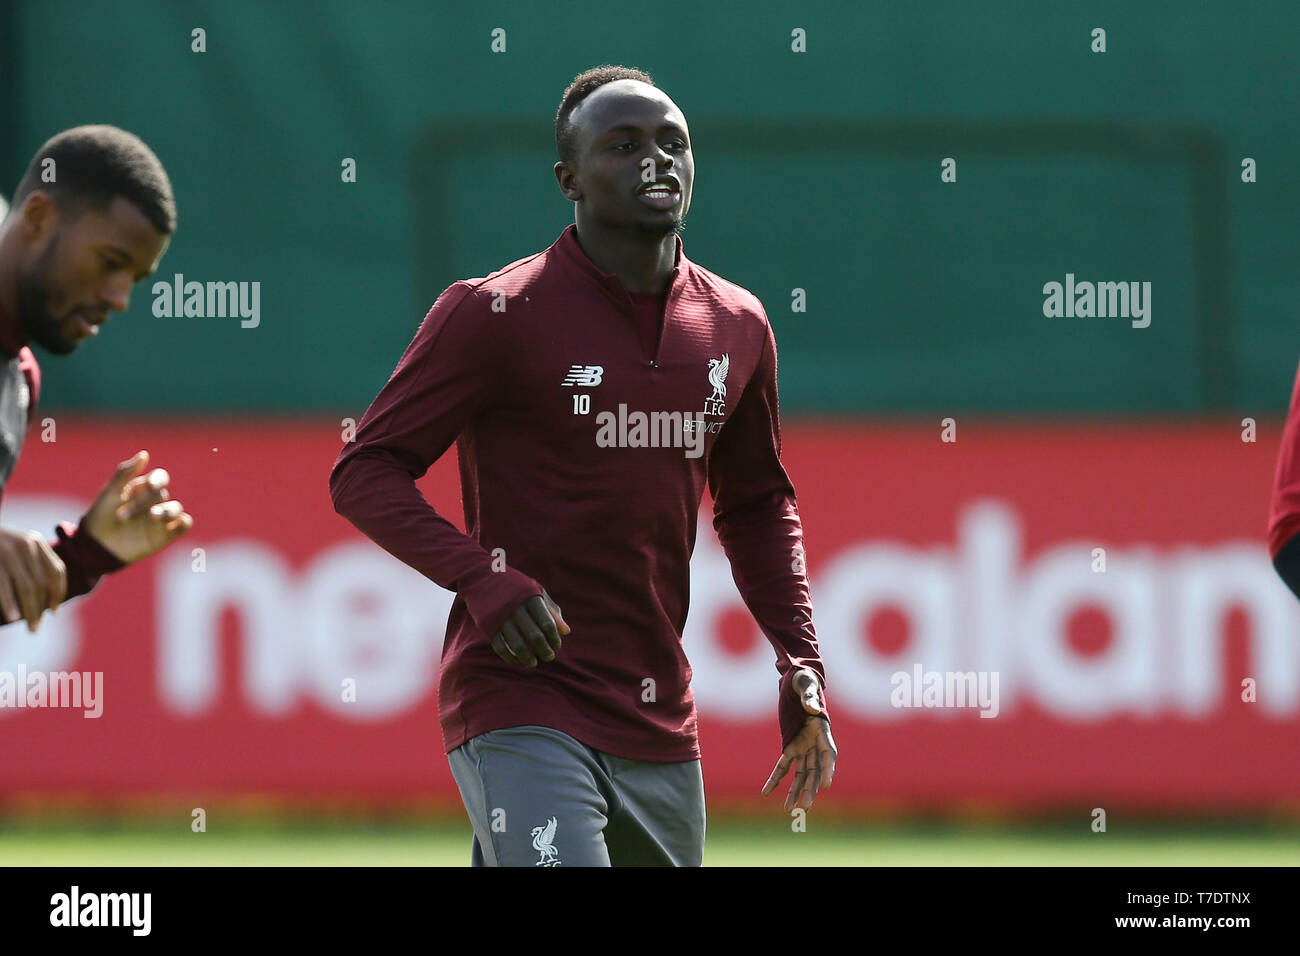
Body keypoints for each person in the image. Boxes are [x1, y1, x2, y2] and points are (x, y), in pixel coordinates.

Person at [331, 66, 835, 866]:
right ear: (568, 178)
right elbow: (365, 471)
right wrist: (482, 578)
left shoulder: (739, 324)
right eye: (624, 145)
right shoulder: (492, 311)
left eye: (674, 143)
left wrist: (798, 658)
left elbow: (757, 506)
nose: (657, 161)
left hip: (657, 717)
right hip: (520, 696)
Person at [0, 126, 194, 632]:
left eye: (135, 278)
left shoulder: (19, 382)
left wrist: (81, 558)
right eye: (111, 262)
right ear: (39, 217)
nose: (120, 298)